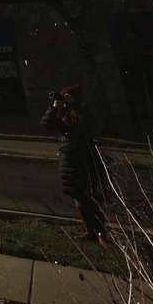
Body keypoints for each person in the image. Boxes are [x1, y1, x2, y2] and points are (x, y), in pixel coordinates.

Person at [41, 84, 104, 241]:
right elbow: (46, 125)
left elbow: (78, 130)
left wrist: (65, 118)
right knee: (77, 195)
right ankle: (91, 231)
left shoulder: (82, 112)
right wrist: (54, 108)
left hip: (81, 156)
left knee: (87, 195)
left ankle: (99, 232)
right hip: (68, 156)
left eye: (67, 97)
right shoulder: (63, 111)